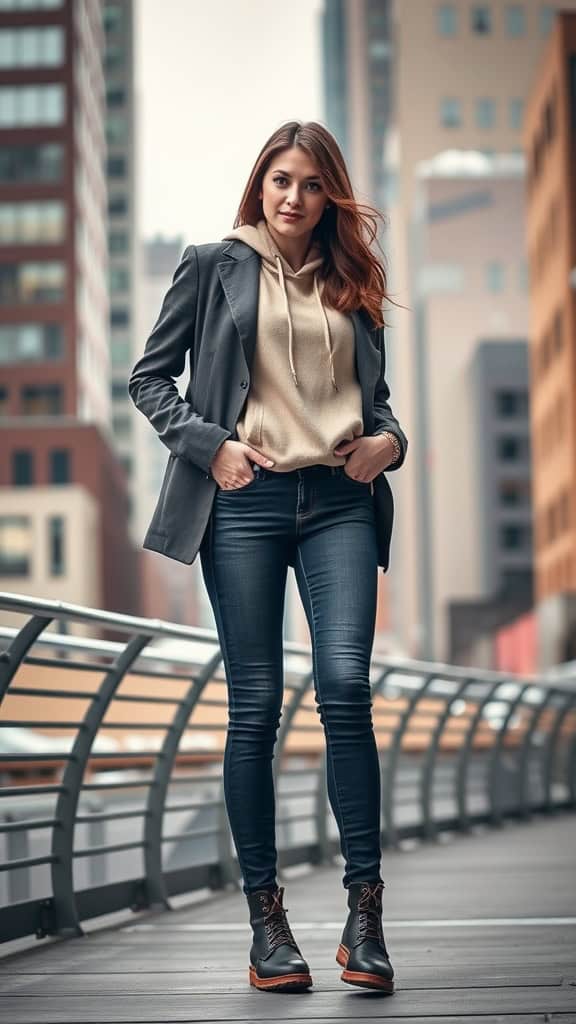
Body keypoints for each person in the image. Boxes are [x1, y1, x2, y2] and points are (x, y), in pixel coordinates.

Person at [128, 120, 407, 995]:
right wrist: (210, 446)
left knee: (346, 687)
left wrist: (388, 446)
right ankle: (267, 923)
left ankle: (365, 916)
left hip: (338, 502)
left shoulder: (355, 280)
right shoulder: (212, 264)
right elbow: (149, 379)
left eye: (313, 184)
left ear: (331, 195)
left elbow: (382, 404)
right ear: (261, 185)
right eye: (281, 180)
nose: (294, 197)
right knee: (254, 706)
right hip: (243, 502)